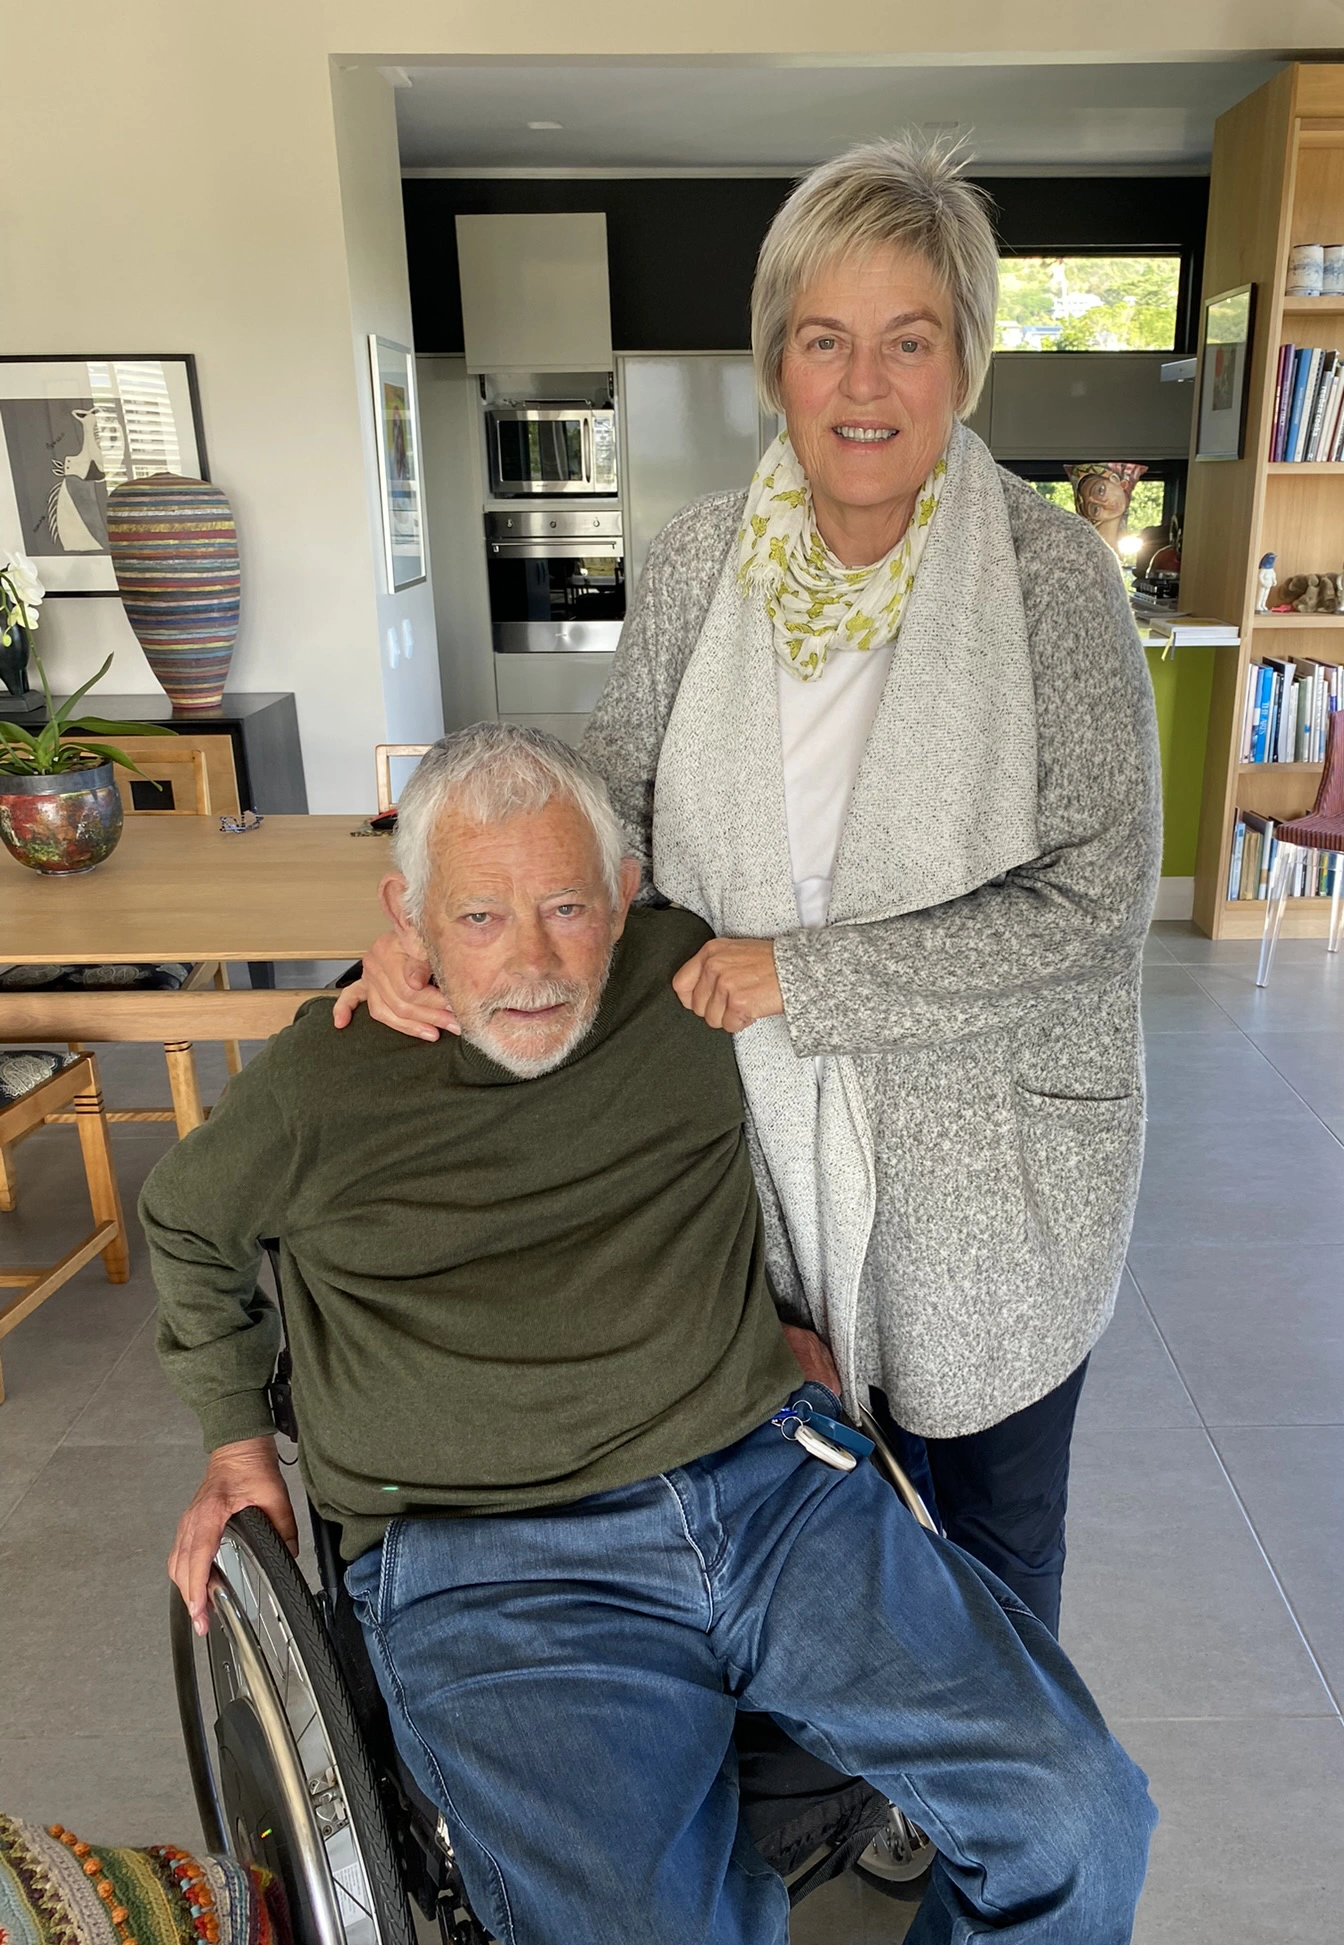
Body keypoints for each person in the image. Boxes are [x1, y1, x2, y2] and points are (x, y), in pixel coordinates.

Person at [150, 727, 1155, 1945]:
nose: (529, 961)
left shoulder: (688, 981)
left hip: (770, 1488)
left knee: (1080, 1819)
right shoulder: (325, 1080)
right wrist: (236, 1448)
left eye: (567, 907)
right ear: (408, 916)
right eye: (478, 916)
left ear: (627, 895)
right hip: (488, 1566)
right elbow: (185, 1225)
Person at [335, 138, 1162, 1640]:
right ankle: (857, 1743)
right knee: (808, 1517)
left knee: (991, 1538)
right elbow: (605, 823)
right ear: (775, 363)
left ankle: (990, 1763)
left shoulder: (1056, 581)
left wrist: (810, 974)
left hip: (996, 1160)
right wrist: (439, 938)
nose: (865, 383)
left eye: (910, 339)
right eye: (825, 339)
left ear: (966, 363)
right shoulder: (699, 564)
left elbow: (1096, 901)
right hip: (757, 1145)